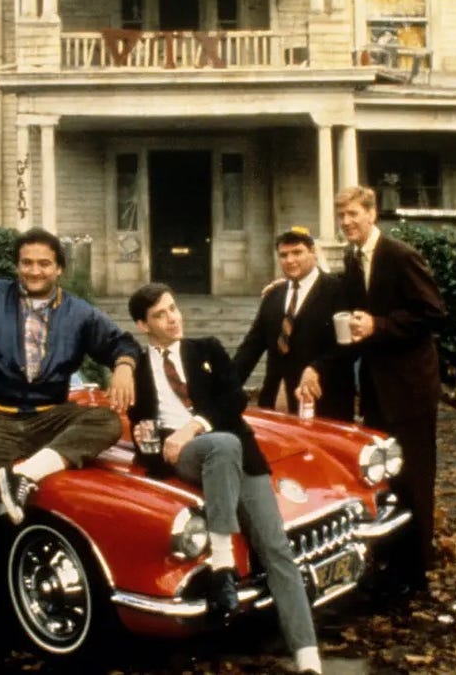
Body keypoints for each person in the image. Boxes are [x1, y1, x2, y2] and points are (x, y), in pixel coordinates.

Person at [0, 227, 139, 649]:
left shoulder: (79, 313)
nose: (35, 270)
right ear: (17, 266)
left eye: (44, 263)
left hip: (49, 415)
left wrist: (123, 365)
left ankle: (26, 473)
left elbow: (121, 341)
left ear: (59, 268)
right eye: (27, 262)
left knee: (108, 422)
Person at [127, 283, 322, 675]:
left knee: (277, 548)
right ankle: (223, 559)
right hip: (183, 457)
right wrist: (161, 445)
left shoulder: (207, 349)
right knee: (223, 444)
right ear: (142, 324)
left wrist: (192, 427)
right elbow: (141, 423)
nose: (173, 318)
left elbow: (235, 399)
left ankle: (307, 655)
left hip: (232, 454)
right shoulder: (137, 364)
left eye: (174, 308)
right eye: (161, 315)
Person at [299, 185, 445, 591]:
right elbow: (341, 298)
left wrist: (378, 326)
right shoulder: (352, 256)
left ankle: (416, 572)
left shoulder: (399, 255)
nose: (347, 222)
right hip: (378, 385)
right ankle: (391, 562)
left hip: (411, 385)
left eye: (353, 215)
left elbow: (433, 311)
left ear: (372, 213)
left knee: (414, 475)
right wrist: (284, 289)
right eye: (341, 215)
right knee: (384, 475)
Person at [233, 227, 354, 421]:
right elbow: (251, 347)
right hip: (276, 400)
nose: (290, 260)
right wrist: (224, 386)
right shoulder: (273, 295)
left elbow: (348, 346)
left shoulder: (337, 290)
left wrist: (317, 368)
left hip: (325, 402)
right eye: (284, 255)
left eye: (297, 252)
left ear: (312, 252)